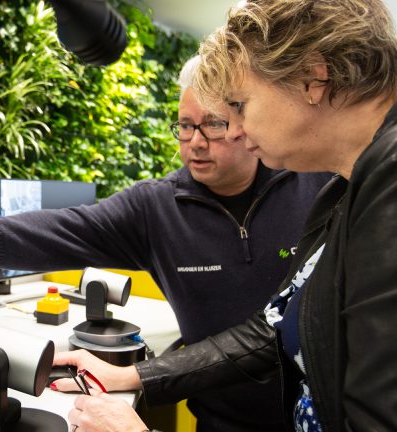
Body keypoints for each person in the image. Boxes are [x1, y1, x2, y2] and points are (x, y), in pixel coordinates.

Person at [0, 56, 331, 431]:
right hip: (220, 420)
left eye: (212, 125)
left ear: (247, 125)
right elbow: (66, 229)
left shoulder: (317, 187)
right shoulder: (157, 208)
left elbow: (279, 332)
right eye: (184, 126)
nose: (194, 142)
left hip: (322, 414)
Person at [58, 0, 397, 431]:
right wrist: (135, 375)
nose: (235, 128)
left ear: (313, 78)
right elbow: (274, 328)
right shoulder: (347, 187)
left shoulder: (389, 182)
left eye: (238, 103)